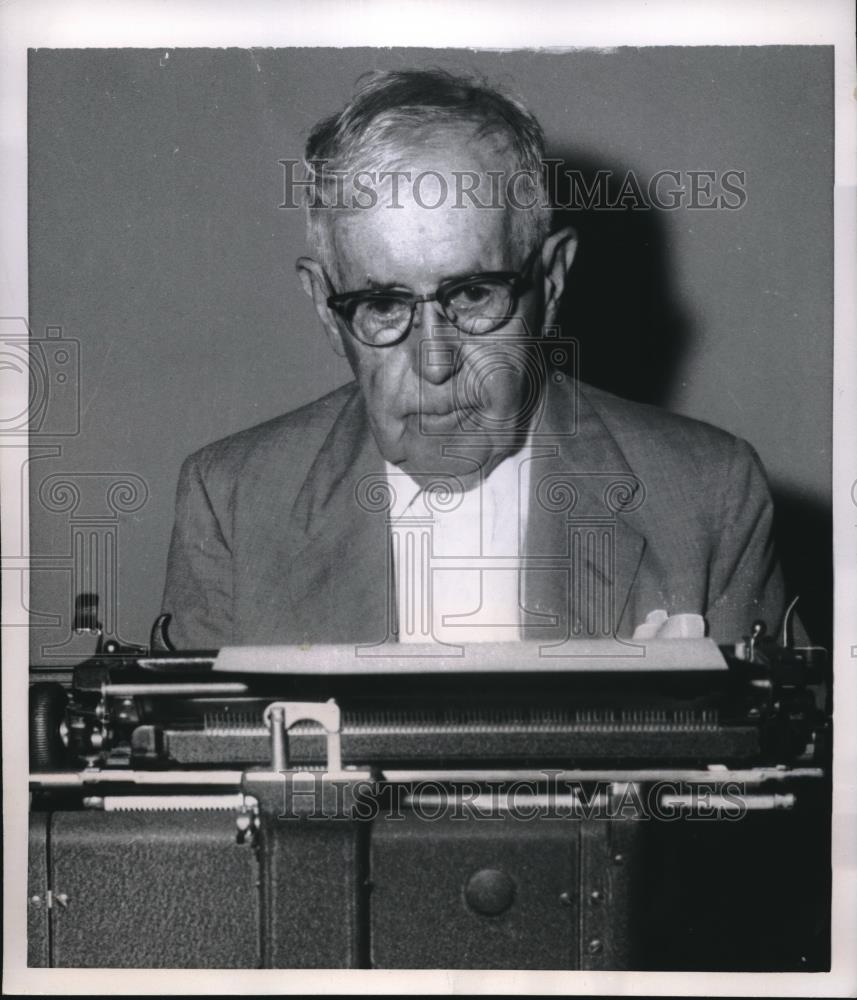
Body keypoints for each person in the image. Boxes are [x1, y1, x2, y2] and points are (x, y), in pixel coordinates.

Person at [162, 69, 787, 650]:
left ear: (552, 281)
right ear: (328, 310)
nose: (435, 363)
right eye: (382, 303)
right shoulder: (231, 502)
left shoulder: (711, 495)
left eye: (472, 294)